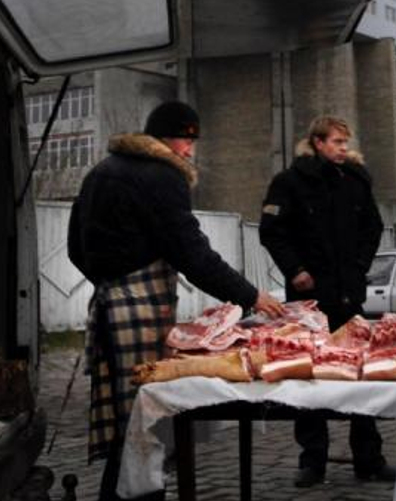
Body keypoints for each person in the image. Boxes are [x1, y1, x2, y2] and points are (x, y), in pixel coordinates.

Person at [68, 100, 285, 501]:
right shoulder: (162, 176)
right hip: (140, 311)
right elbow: (191, 252)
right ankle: (139, 495)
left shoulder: (99, 172)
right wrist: (250, 295)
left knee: (125, 418)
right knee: (143, 418)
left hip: (108, 304)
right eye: (188, 143)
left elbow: (74, 247)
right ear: (174, 141)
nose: (190, 152)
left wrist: (109, 283)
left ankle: (119, 493)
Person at [259, 115, 392, 487]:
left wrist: (359, 265)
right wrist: (295, 269)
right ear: (317, 142)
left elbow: (373, 227)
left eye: (345, 143)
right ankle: (312, 461)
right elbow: (271, 231)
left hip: (349, 297)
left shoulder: (356, 179)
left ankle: (369, 458)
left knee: (360, 378)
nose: (343, 149)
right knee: (308, 378)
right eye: (336, 142)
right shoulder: (289, 182)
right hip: (309, 300)